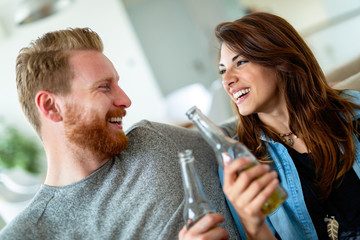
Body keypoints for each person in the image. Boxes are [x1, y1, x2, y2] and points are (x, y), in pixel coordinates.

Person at [0, 27, 239, 240]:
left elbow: (238, 133)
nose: (125, 100)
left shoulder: (152, 142)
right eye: (104, 87)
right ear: (52, 107)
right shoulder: (28, 234)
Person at [214, 12, 360, 239]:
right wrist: (253, 225)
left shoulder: (353, 110)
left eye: (240, 62)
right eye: (223, 70)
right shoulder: (241, 162)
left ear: (280, 60)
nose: (227, 80)